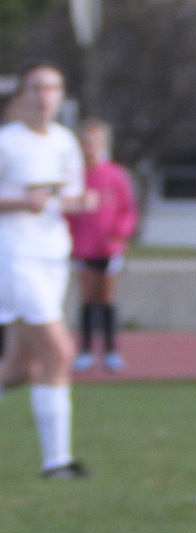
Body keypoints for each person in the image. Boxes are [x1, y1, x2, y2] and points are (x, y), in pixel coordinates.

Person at [0, 63, 93, 478]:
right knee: (59, 351)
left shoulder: (64, 142)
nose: (44, 96)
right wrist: (22, 202)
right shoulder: (7, 142)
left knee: (21, 368)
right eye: (36, 88)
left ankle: (57, 461)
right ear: (22, 96)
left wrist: (80, 203)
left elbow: (68, 194)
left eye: (52, 87)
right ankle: (57, 462)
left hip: (53, 255)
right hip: (15, 255)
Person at [65, 119, 135, 375]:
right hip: (83, 248)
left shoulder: (116, 176)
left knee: (106, 298)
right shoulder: (75, 177)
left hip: (109, 249)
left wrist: (120, 236)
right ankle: (84, 351)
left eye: (95, 142)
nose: (90, 147)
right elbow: (67, 211)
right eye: (86, 142)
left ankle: (111, 351)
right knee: (87, 298)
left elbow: (128, 211)